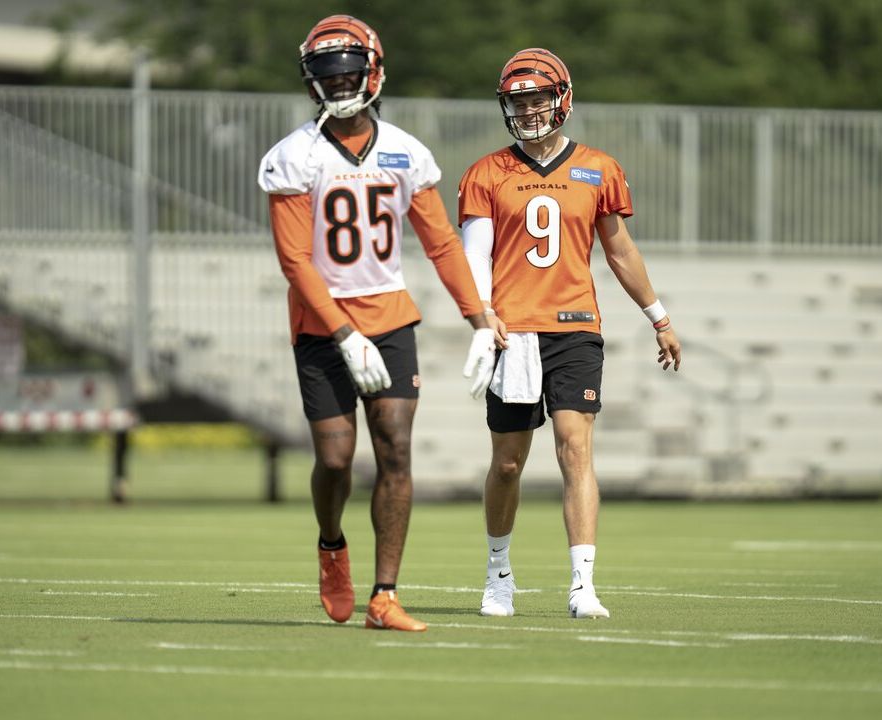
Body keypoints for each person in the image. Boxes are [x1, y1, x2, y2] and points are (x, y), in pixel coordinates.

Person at [257, 15, 496, 632]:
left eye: (348, 74)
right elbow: (295, 261)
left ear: (373, 73)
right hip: (321, 324)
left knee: (395, 449)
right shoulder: (295, 157)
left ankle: (384, 596)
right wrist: (342, 332)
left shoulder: (406, 152)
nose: (339, 86)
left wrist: (480, 319)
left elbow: (442, 244)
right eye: (327, 76)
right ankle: (332, 547)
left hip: (389, 316)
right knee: (336, 459)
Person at [458, 48, 682, 619]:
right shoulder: (487, 172)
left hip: (575, 328)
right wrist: (484, 316)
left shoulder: (599, 168)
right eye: (519, 101)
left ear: (562, 99)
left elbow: (620, 250)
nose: (529, 110)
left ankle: (583, 584)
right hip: (514, 332)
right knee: (508, 462)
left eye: (537, 98)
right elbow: (474, 254)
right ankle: (499, 574)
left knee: (575, 449)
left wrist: (658, 316)